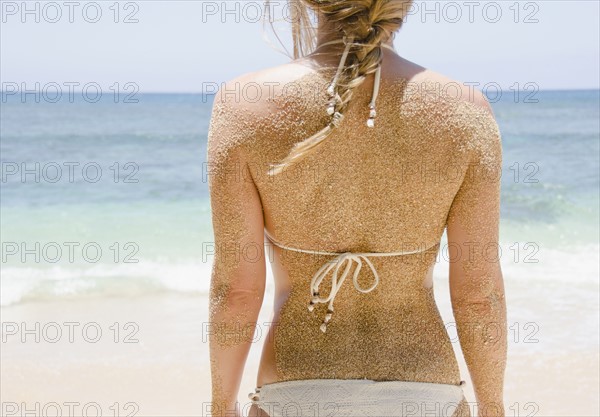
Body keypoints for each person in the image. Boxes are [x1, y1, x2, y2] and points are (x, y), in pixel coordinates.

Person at [207, 1, 507, 416]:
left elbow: (236, 292)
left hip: (295, 390)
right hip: (424, 389)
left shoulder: (242, 105)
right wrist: (494, 408)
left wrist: (221, 407)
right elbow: (478, 296)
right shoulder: (465, 111)